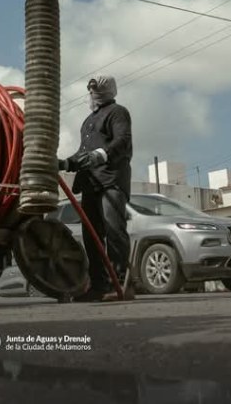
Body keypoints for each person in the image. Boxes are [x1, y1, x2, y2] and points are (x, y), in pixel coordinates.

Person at [59, 75, 134, 302]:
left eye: (93, 92)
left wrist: (101, 155)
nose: (90, 96)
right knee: (91, 236)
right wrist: (65, 163)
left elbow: (122, 141)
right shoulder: (88, 122)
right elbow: (83, 154)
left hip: (111, 181)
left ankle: (121, 283)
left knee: (114, 231)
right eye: (90, 92)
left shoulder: (118, 113)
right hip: (90, 183)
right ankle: (99, 286)